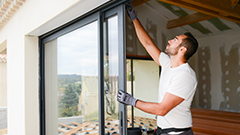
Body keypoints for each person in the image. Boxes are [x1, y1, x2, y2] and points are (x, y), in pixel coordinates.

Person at [117, 3, 198, 135]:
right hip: (163, 130)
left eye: (175, 40)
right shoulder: (168, 63)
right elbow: (148, 44)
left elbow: (162, 109)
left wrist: (132, 101)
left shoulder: (185, 75)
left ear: (182, 49)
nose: (170, 40)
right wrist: (134, 17)